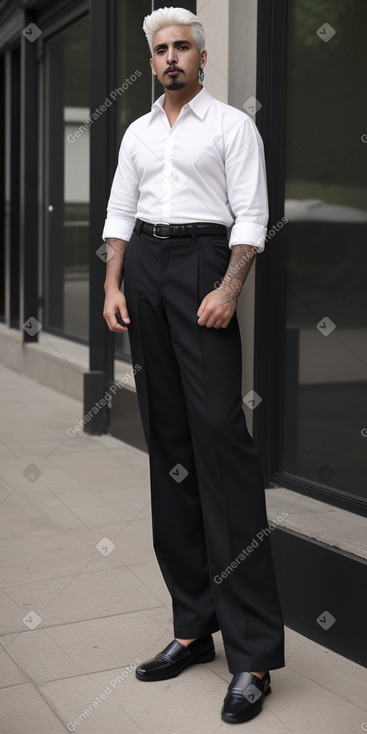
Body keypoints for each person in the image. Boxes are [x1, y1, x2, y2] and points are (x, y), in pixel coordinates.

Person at [102, 6, 285, 724]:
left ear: (201, 58)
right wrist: (115, 284)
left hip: (206, 264)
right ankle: (191, 627)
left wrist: (228, 287)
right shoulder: (138, 131)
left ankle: (253, 656)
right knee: (169, 449)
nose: (171, 57)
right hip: (145, 269)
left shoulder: (232, 126)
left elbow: (250, 214)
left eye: (182, 47)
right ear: (150, 63)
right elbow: (119, 211)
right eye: (160, 50)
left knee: (221, 446)